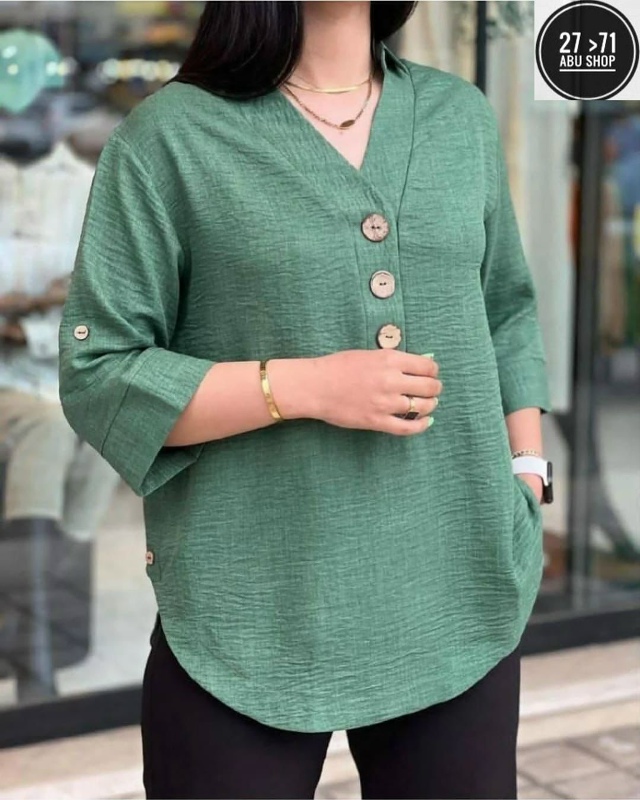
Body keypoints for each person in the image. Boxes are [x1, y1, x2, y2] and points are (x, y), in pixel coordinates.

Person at [58, 2, 553, 798]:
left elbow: (507, 309)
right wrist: (305, 386)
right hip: (247, 609)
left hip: (459, 589)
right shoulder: (170, 138)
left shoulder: (458, 115)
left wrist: (528, 473)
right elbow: (100, 371)